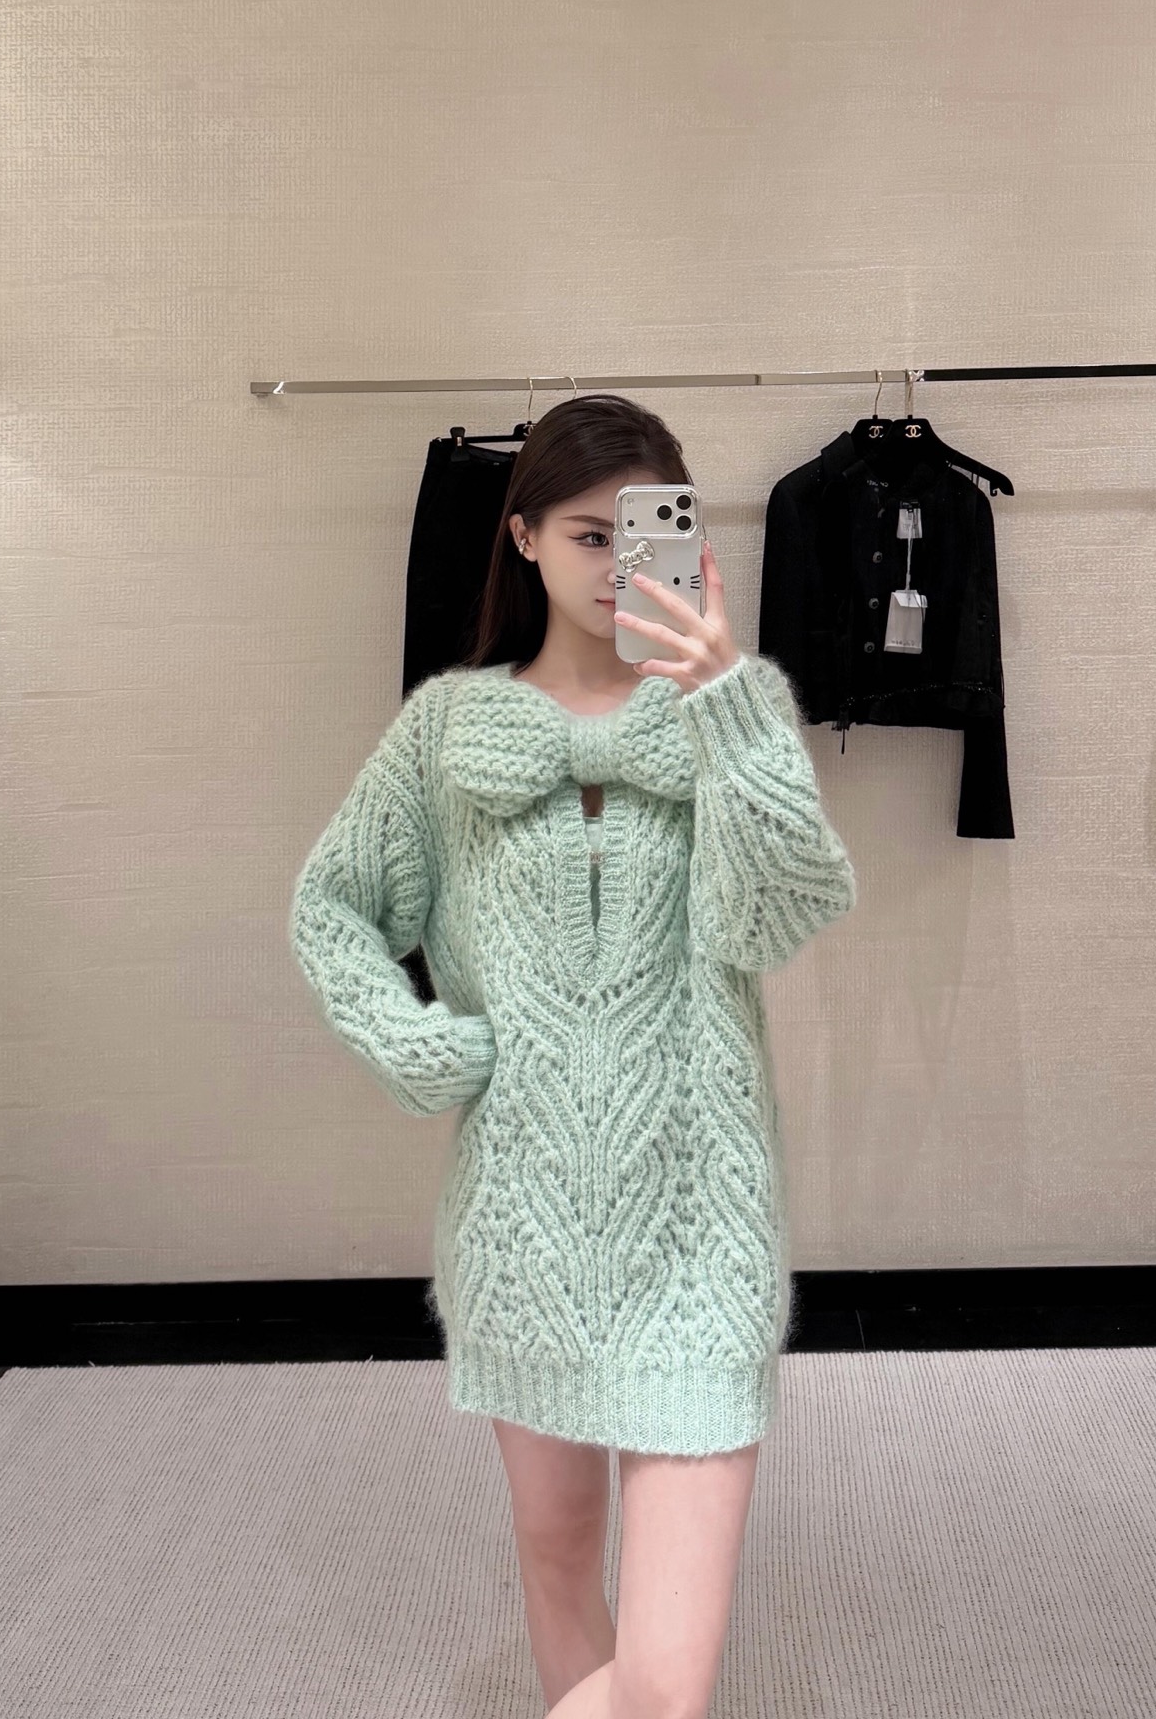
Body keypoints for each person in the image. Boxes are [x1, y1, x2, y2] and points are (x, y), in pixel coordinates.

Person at [288, 394, 857, 1719]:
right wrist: (414, 1042)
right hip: (523, 1225)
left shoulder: (733, 713)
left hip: (700, 1226)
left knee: (662, 1688)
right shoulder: (444, 732)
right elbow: (334, 906)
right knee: (555, 1560)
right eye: (590, 536)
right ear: (525, 537)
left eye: (645, 536)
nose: (616, 567)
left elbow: (780, 915)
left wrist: (727, 704)